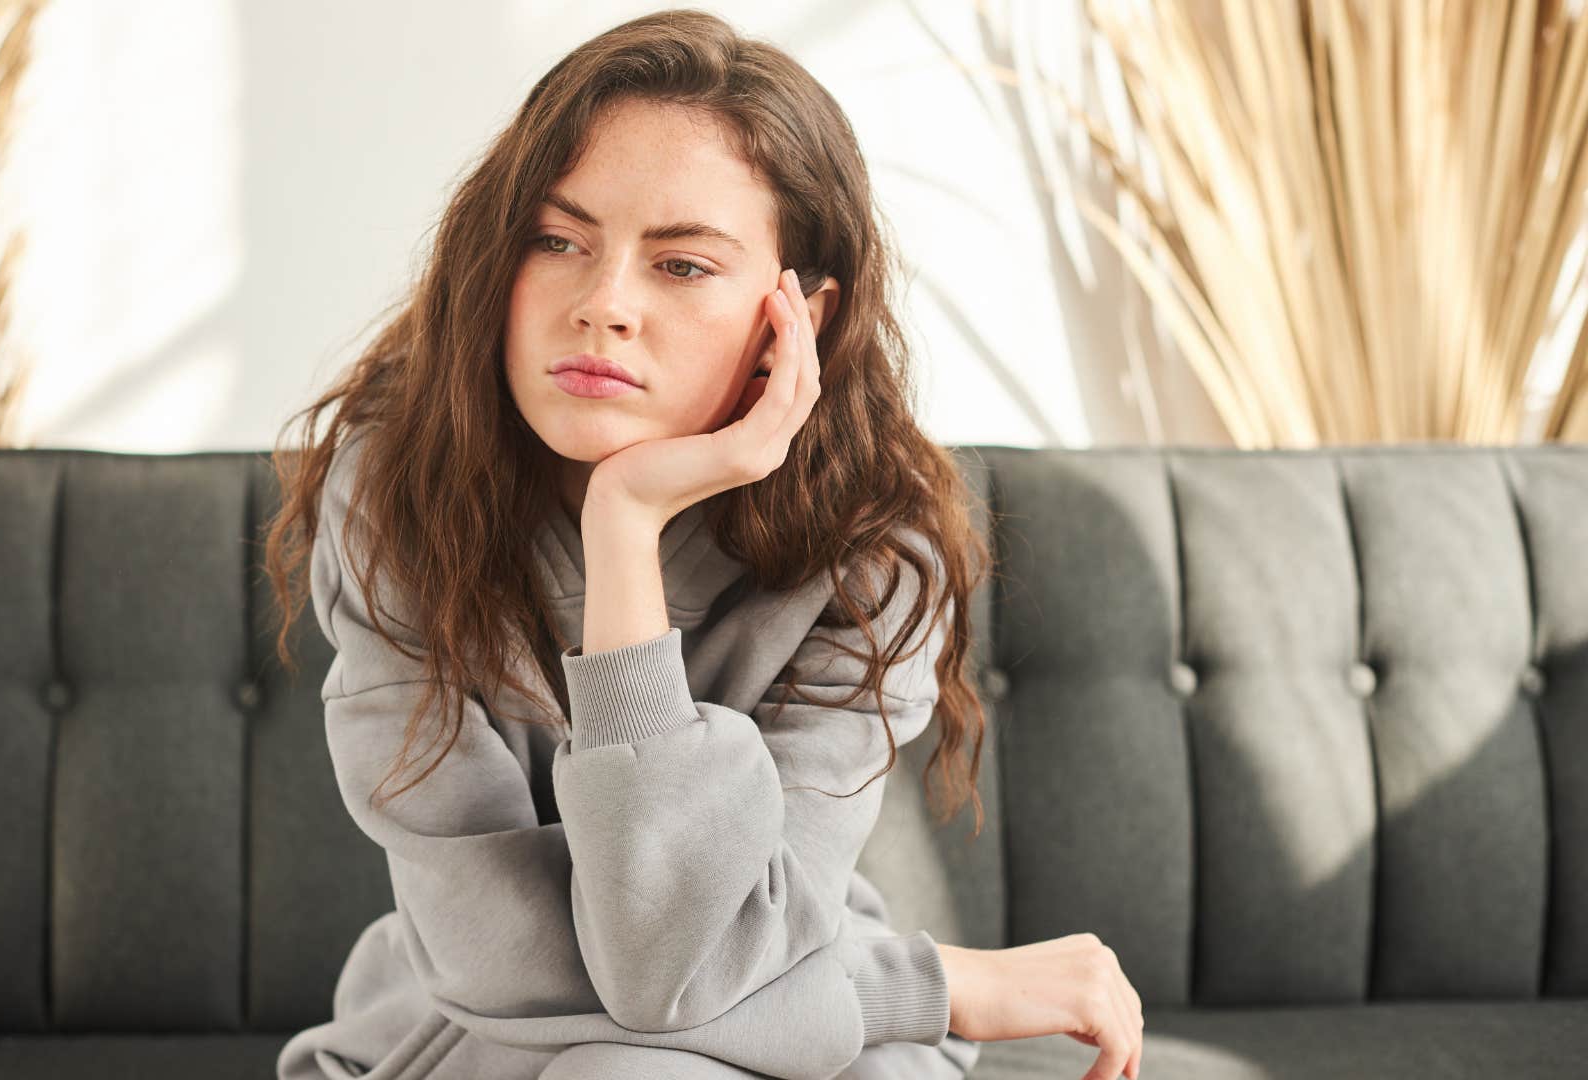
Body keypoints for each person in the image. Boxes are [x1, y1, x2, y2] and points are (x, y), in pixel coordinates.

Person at [262, 9, 1142, 1080]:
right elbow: (502, 953)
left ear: (798, 317)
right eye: (556, 241)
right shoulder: (396, 492)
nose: (604, 306)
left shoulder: (878, 555)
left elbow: (685, 966)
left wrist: (624, 528)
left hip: (783, 1003)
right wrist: (932, 988)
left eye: (681, 265)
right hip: (491, 1025)